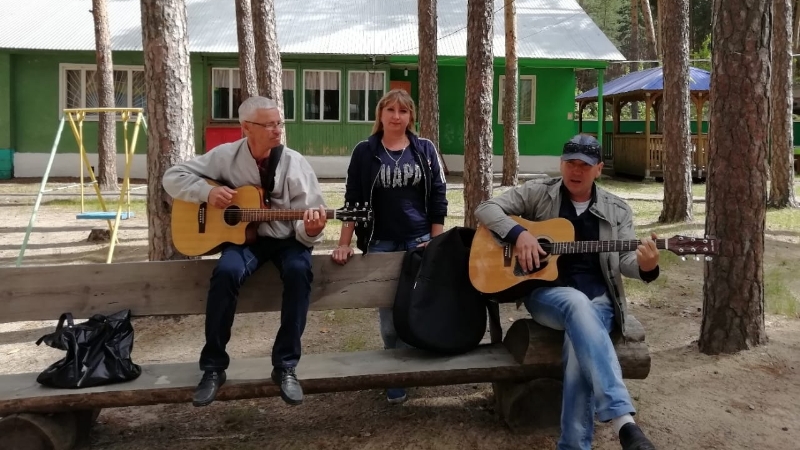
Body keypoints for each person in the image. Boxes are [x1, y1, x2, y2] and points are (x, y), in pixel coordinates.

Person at [474, 134, 658, 450]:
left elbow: (626, 260)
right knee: (575, 301)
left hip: (599, 302)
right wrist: (520, 235)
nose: (576, 170)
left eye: (585, 165)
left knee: (577, 345)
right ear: (561, 164)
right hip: (547, 296)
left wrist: (647, 266)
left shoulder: (617, 210)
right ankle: (623, 420)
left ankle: (574, 445)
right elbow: (486, 208)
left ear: (598, 169)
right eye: (570, 163)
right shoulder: (539, 192)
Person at [162, 96, 327, 407]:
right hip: (245, 240)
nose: (277, 130)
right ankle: (213, 367)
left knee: (299, 271)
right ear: (246, 128)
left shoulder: (294, 164)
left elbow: (309, 222)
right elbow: (172, 177)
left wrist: (312, 229)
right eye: (269, 125)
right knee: (225, 273)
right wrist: (207, 192)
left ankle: (286, 366)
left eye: (279, 123)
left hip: (287, 240)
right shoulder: (225, 156)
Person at [330, 89, 448, 404]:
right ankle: (395, 369)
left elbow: (438, 196)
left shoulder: (424, 149)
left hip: (419, 240)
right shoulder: (365, 151)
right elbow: (353, 199)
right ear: (380, 114)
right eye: (391, 110)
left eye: (403, 111)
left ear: (411, 117)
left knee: (415, 308)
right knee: (389, 317)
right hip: (380, 242)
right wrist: (344, 244)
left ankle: (403, 372)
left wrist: (435, 240)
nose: (396, 116)